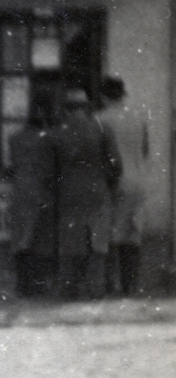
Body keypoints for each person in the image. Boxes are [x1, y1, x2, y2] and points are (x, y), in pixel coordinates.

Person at [54, 85, 122, 300]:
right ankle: (96, 290)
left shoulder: (58, 132)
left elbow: (51, 169)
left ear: (66, 108)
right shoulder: (102, 128)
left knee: (70, 244)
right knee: (97, 244)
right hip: (97, 190)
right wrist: (107, 181)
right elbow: (116, 164)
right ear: (87, 107)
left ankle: (69, 291)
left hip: (69, 193)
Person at [8, 102, 57, 298]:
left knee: (21, 238)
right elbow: (50, 169)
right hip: (41, 191)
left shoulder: (15, 138)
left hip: (20, 190)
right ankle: (38, 285)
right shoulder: (47, 139)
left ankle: (22, 285)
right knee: (40, 240)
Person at [100, 78, 144, 296]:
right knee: (132, 232)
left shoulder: (102, 119)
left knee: (111, 233)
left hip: (115, 181)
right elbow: (144, 149)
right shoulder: (138, 117)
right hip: (137, 179)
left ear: (104, 96)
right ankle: (130, 286)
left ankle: (110, 284)